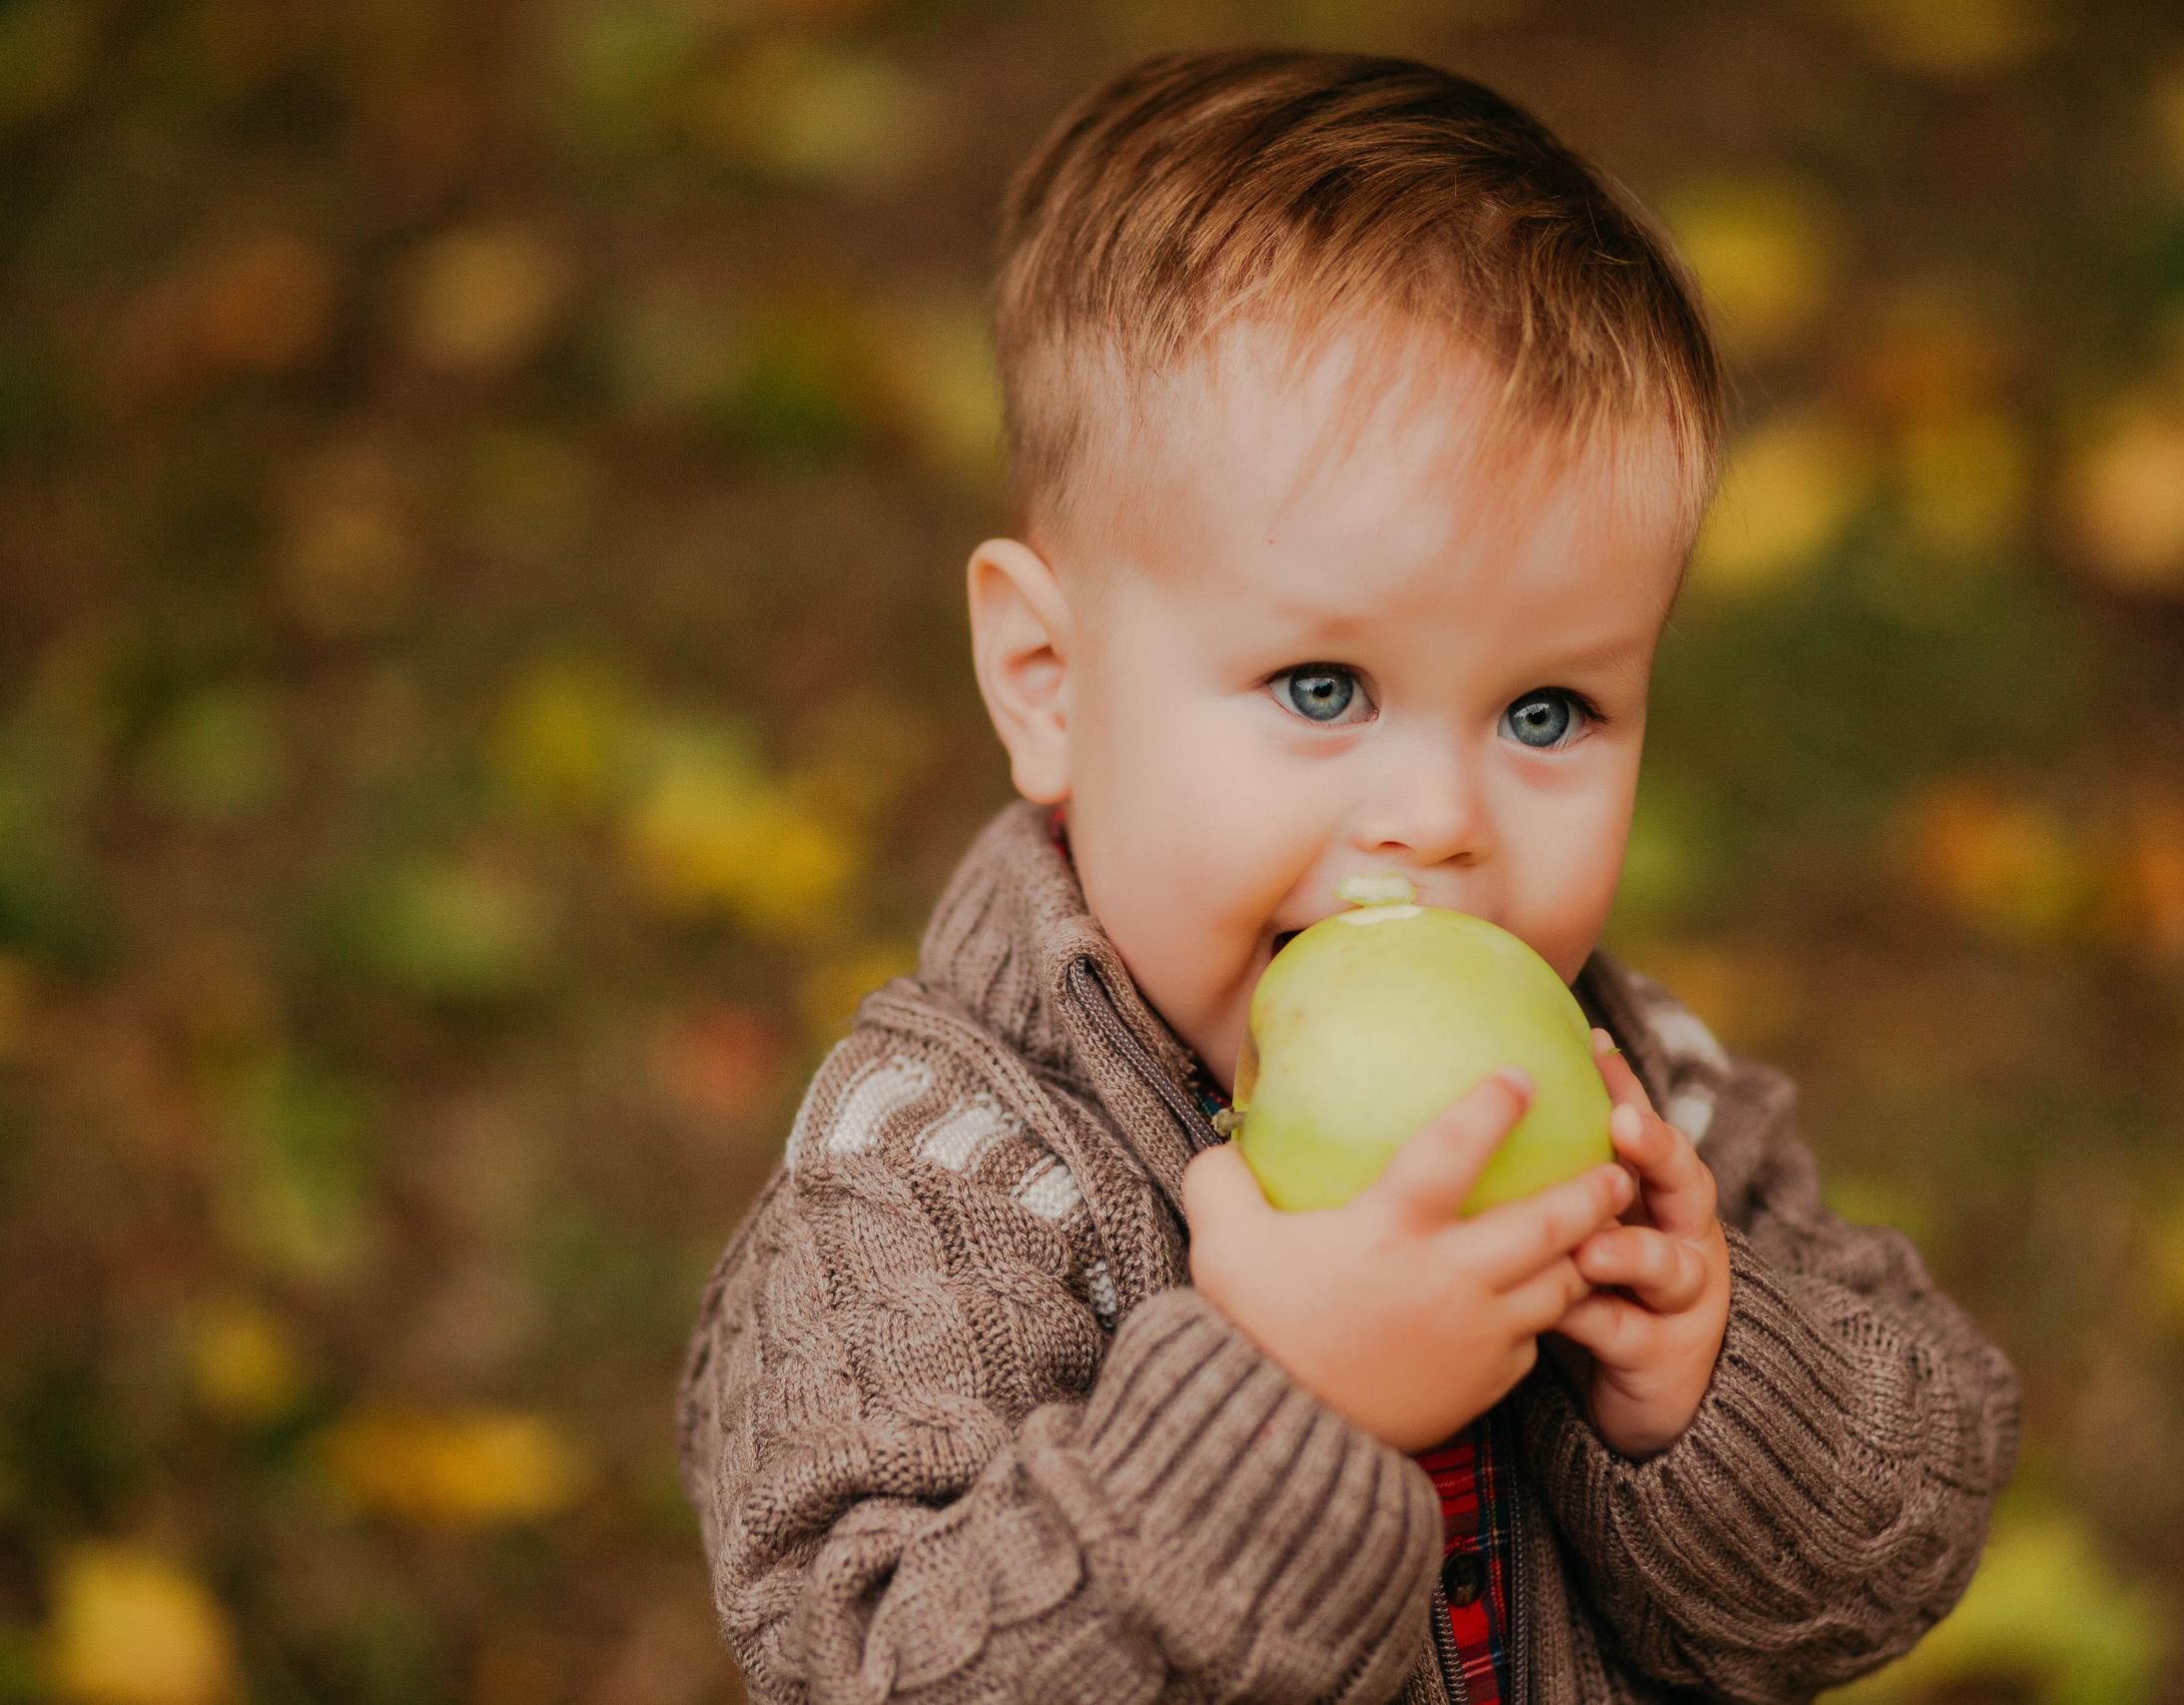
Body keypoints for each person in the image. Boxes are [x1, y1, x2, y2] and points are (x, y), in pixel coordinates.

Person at [678, 48, 2019, 1705]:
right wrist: (1277, 1409)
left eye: (1549, 711)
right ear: (1048, 677)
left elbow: (1910, 1527)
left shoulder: (1635, 1102)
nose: (1440, 817)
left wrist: (1710, 1379)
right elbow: (878, 1673)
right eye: (1325, 690)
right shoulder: (929, 1191)